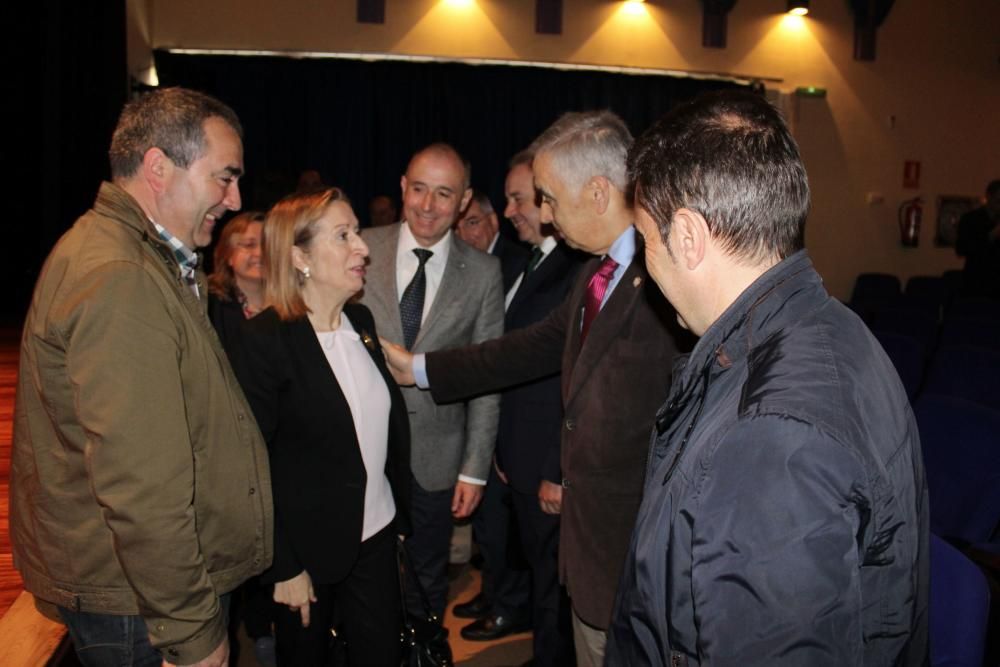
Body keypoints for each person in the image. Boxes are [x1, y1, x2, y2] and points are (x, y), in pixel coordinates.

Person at [606, 89, 929, 666]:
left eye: (646, 242)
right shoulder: (827, 323)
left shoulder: (772, 437)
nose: (645, 266)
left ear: (687, 237)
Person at [381, 112, 686, 667]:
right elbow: (526, 349)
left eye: (547, 197)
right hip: (592, 549)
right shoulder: (598, 271)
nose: (543, 214)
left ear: (597, 192)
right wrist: (419, 369)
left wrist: (564, 473)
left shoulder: (663, 273)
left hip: (627, 548)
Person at [11, 87, 272, 667]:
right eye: (223, 178)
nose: (234, 200)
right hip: (142, 605)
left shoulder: (138, 256)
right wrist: (192, 632)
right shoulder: (120, 275)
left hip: (138, 591)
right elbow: (142, 488)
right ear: (158, 168)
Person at [231, 187, 411, 666]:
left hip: (376, 536)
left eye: (356, 231)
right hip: (305, 555)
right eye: (343, 235)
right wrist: (283, 565)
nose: (363, 247)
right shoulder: (264, 339)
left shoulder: (362, 320)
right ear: (299, 256)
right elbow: (253, 464)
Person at [359, 143, 504, 621]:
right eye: (418, 189)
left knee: (425, 583)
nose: (427, 205)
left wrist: (474, 469)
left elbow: (486, 379)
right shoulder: (359, 247)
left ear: (463, 201)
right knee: (362, 579)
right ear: (402, 186)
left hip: (437, 459)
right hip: (360, 450)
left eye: (443, 194)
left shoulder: (484, 274)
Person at [458, 148, 584, 666]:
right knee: (536, 568)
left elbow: (577, 382)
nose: (510, 210)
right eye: (508, 198)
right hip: (518, 455)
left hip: (548, 462)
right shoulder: (527, 262)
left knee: (557, 581)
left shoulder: (577, 269)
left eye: (519, 198)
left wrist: (559, 470)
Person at [208, 211, 266, 347]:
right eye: (249, 245)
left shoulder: (292, 304)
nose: (260, 253)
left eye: (268, 244)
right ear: (228, 254)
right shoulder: (210, 306)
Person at [455, 189, 530, 290]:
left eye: (472, 223)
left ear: (493, 221)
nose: (463, 237)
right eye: (454, 228)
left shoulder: (519, 265)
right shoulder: (454, 265)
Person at [955, 179, 1000, 298]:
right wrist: (990, 236)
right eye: (998, 200)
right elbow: (961, 249)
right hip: (977, 284)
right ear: (988, 197)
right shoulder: (970, 219)